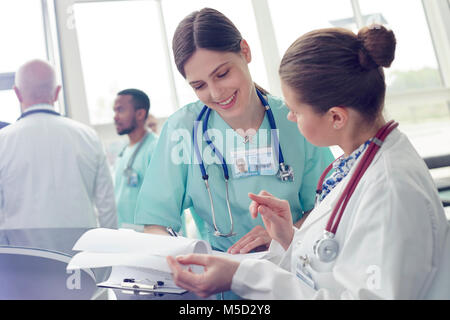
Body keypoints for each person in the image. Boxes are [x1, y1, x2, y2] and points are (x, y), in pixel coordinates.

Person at [166, 25, 450, 299]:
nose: (289, 117)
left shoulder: (391, 188)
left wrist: (241, 277)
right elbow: (337, 262)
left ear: (336, 117)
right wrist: (290, 236)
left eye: (295, 111)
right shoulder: (361, 163)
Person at [134, 8, 334, 256]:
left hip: (293, 271)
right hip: (222, 285)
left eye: (222, 74)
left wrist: (285, 233)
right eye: (199, 85)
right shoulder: (182, 129)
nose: (216, 93)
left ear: (245, 51)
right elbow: (156, 224)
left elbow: (328, 206)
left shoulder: (296, 118)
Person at [0, 59, 117, 229]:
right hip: (81, 251)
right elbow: (107, 206)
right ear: (57, 93)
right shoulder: (88, 137)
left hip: (22, 251)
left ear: (17, 93)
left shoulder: (3, 141)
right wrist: (108, 250)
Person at [113, 89, 158, 229]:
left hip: (152, 239)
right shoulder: (123, 152)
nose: (115, 117)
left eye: (120, 110)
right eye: (114, 111)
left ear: (140, 114)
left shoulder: (156, 148)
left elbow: (166, 203)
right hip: (126, 235)